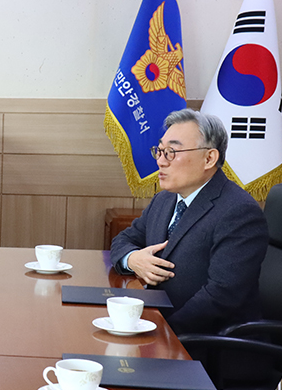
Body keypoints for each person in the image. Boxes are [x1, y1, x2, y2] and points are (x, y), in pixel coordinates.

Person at [110, 109, 269, 335]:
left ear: (209, 158)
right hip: (158, 323)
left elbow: (221, 296)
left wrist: (161, 334)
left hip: (208, 345)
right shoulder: (165, 198)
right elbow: (125, 239)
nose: (160, 162)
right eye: (160, 151)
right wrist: (132, 258)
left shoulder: (239, 212)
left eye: (172, 152)